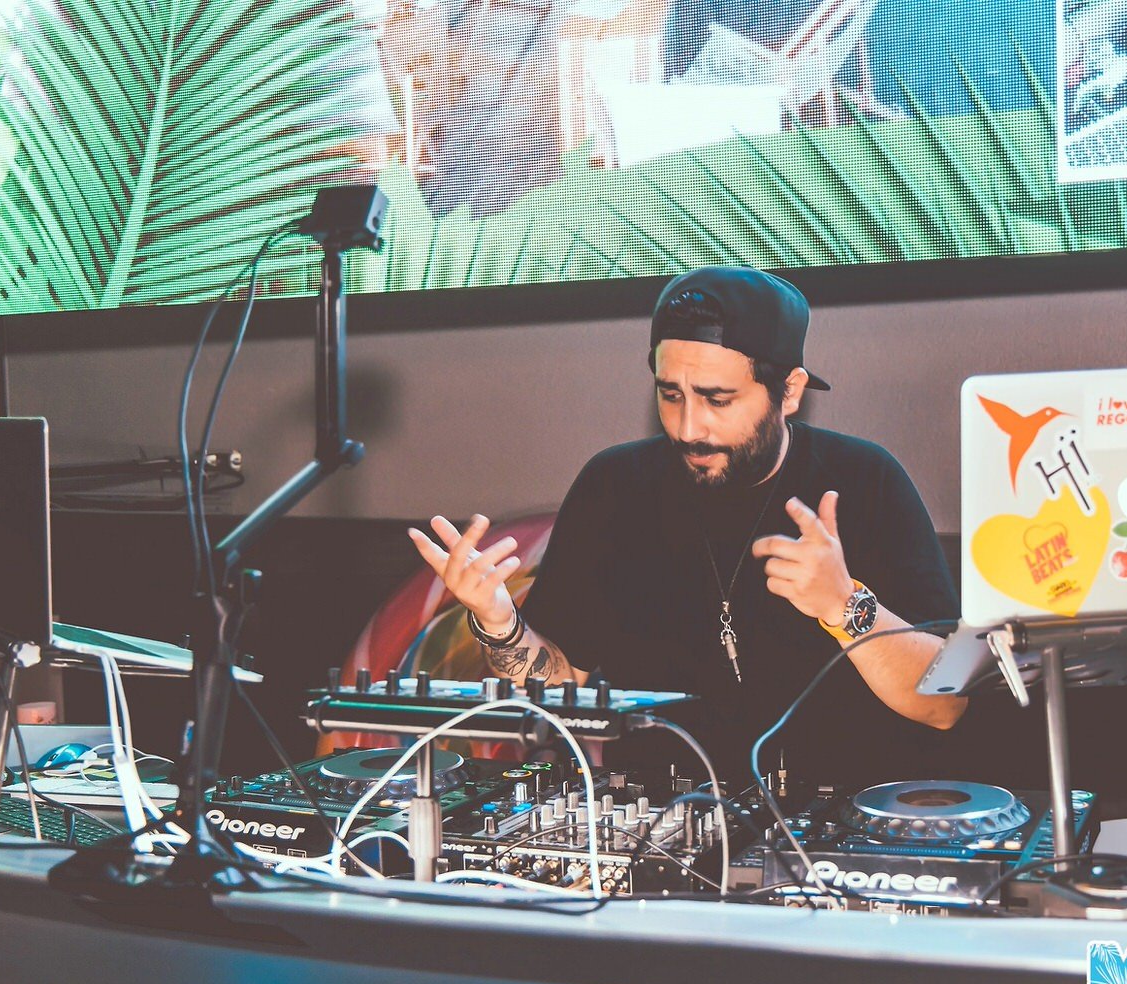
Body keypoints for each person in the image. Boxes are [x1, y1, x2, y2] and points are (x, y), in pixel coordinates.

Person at [408, 266, 964, 787]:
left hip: (846, 827)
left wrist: (844, 606)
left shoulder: (866, 480)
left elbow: (944, 706)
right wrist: (499, 623)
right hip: (662, 824)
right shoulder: (613, 488)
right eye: (670, 394)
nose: (689, 427)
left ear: (789, 391)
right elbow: (562, 688)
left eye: (717, 400)